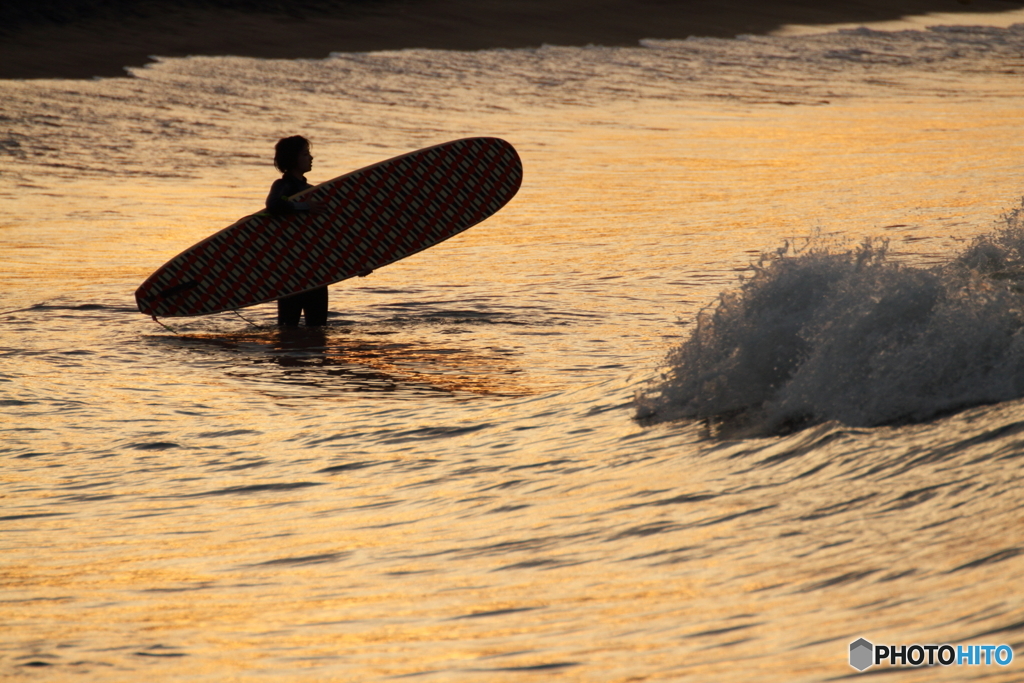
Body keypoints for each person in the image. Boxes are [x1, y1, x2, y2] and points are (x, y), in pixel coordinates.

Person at [266, 135, 328, 327]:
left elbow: (329, 233)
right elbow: (273, 205)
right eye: (305, 154)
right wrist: (304, 207)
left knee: (318, 330)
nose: (311, 158)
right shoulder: (283, 185)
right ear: (293, 159)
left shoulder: (312, 191)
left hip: (316, 270)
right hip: (291, 271)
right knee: (287, 328)